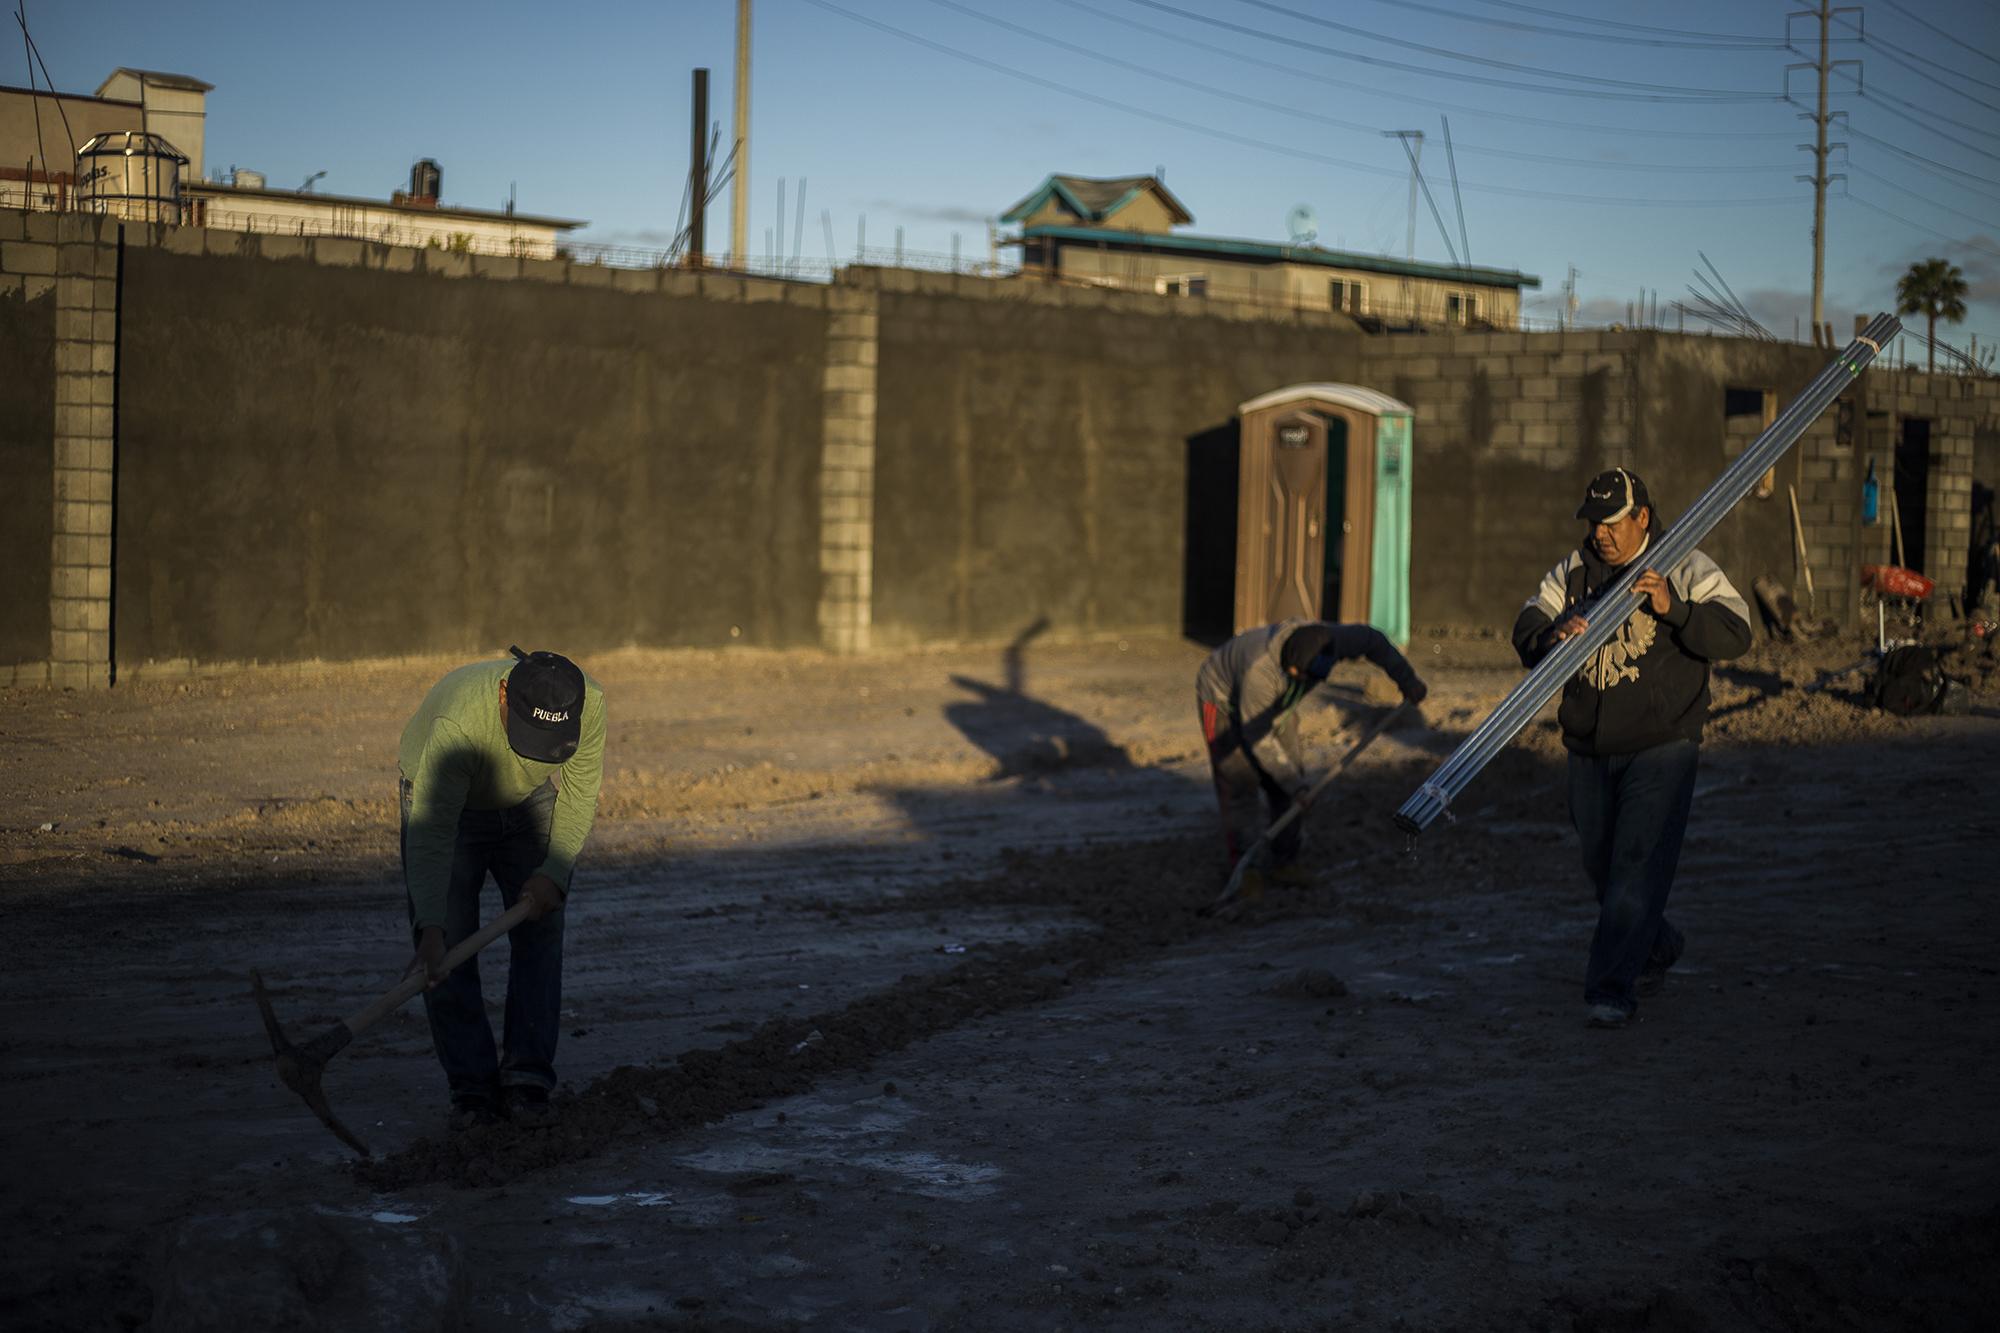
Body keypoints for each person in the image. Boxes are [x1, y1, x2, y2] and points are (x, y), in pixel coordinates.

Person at [1511, 468, 1751, 1029]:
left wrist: (1676, 608)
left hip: (1663, 743)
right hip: (1591, 746)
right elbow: (1527, 624)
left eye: (1612, 523)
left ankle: (1611, 990)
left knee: (1636, 867)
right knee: (1602, 864)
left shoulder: (1685, 563)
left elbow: (1738, 631)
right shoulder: (1573, 573)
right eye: (1594, 523)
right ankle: (1656, 942)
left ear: (1641, 517)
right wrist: (1553, 634)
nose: (1601, 534)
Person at [399, 645, 607, 1129]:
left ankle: (527, 1079)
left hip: (530, 798)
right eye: (528, 734)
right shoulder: (460, 724)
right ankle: (472, 1090)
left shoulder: (589, 703)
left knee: (542, 926)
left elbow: (579, 794)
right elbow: (431, 831)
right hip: (448, 802)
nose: (535, 746)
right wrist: (429, 924)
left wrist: (553, 872)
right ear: (502, 697)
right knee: (447, 947)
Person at [1195, 619, 1426, 892]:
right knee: (1239, 783)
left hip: (1277, 704)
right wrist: (1296, 787)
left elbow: (1373, 640)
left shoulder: (1334, 640)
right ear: (1291, 667)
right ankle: (1246, 870)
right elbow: (1260, 741)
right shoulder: (1261, 672)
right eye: (1302, 677)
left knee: (1290, 777)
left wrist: (1407, 679)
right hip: (1222, 699)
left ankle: (1284, 862)